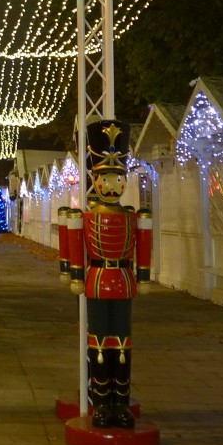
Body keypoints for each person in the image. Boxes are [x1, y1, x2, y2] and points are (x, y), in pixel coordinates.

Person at [65, 119, 153, 429]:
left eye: (118, 179)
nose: (112, 187)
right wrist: (75, 273)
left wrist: (143, 276)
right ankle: (101, 402)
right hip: (98, 281)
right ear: (95, 180)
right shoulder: (87, 216)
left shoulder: (133, 217)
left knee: (123, 342)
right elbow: (76, 245)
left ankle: (121, 401)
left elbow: (142, 246)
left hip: (124, 282)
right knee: (99, 343)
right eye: (106, 180)